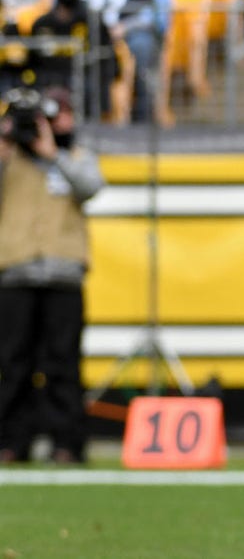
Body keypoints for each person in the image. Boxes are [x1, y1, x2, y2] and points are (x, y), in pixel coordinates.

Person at [0, 87, 104, 465]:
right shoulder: (9, 159)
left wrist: (52, 154)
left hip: (63, 273)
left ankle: (67, 443)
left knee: (63, 363)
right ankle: (11, 442)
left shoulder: (76, 156)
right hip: (15, 271)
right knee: (13, 364)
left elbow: (92, 187)